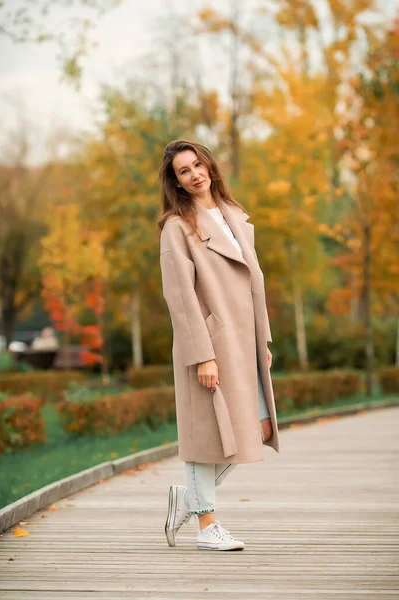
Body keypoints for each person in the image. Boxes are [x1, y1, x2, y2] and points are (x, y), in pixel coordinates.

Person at [158, 139, 280, 551]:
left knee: (255, 429)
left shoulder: (235, 215)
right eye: (184, 171)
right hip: (210, 345)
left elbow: (255, 284)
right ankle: (207, 526)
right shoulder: (178, 227)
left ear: (208, 165)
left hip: (244, 343)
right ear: (175, 182)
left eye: (197, 165)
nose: (195, 174)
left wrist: (262, 340)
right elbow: (180, 296)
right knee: (207, 435)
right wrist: (202, 355)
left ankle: (188, 500)